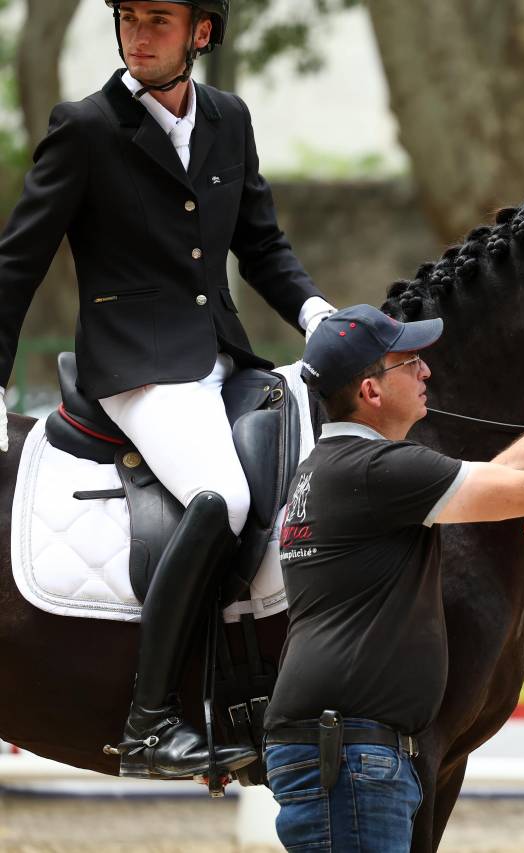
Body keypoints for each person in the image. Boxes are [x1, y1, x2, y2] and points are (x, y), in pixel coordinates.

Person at [0, 1, 336, 778]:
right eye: (128, 18)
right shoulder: (85, 127)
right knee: (224, 496)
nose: (139, 35)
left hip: (225, 356)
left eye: (159, 19)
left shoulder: (229, 117)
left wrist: (316, 312)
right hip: (136, 371)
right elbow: (17, 261)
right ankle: (150, 719)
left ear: (201, 33)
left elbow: (260, 245)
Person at [262, 304, 524, 851]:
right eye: (409, 362)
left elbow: (502, 477)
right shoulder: (379, 471)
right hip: (353, 752)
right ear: (370, 391)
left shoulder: (345, 464)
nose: (426, 371)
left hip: (346, 747)